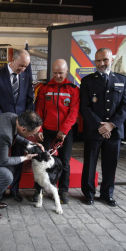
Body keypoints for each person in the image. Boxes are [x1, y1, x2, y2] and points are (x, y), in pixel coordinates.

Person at [80, 48, 126, 206]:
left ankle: (107, 194)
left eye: (105, 60)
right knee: (89, 164)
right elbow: (85, 107)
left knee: (110, 165)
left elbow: (125, 106)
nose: (101, 63)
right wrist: (99, 125)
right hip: (94, 130)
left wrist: (111, 125)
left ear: (112, 60)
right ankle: (88, 193)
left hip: (114, 132)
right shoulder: (87, 81)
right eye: (98, 60)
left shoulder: (122, 80)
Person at [0, 49, 35, 202]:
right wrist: (3, 120)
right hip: (2, 126)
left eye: (26, 66)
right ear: (12, 60)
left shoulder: (26, 77)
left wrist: (26, 122)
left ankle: (14, 189)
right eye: (21, 65)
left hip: (20, 127)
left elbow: (29, 101)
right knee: (1, 158)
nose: (23, 69)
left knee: (17, 158)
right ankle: (0, 190)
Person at [33, 59, 80, 204]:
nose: (58, 76)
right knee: (42, 161)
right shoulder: (45, 88)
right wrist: (39, 129)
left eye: (60, 73)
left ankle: (63, 191)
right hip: (47, 131)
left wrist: (64, 131)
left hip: (66, 133)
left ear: (66, 72)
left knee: (65, 162)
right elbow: (39, 110)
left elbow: (74, 112)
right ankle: (38, 191)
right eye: (55, 73)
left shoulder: (73, 89)